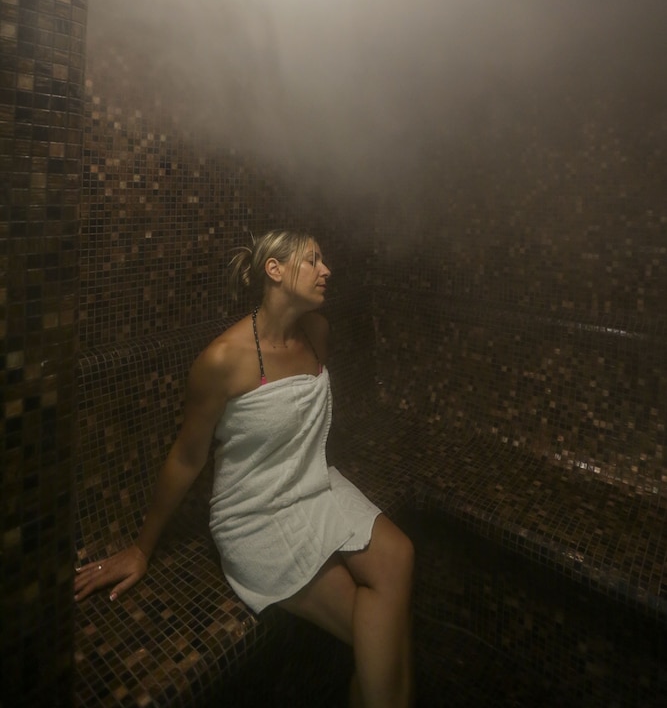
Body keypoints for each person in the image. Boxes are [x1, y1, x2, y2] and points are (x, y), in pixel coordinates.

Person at [74, 230, 414, 707]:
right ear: (275, 270)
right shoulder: (223, 360)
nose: (327, 270)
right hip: (256, 516)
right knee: (384, 641)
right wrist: (141, 548)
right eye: (313, 260)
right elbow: (187, 457)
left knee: (400, 555)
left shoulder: (317, 332)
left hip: (312, 483)